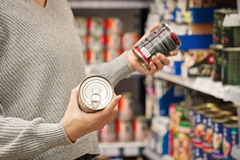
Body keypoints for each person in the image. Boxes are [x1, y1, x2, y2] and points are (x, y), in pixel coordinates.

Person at [0, 0, 178, 159]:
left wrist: (129, 61)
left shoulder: (59, 4)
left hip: (82, 153)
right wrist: (63, 132)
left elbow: (70, 85)